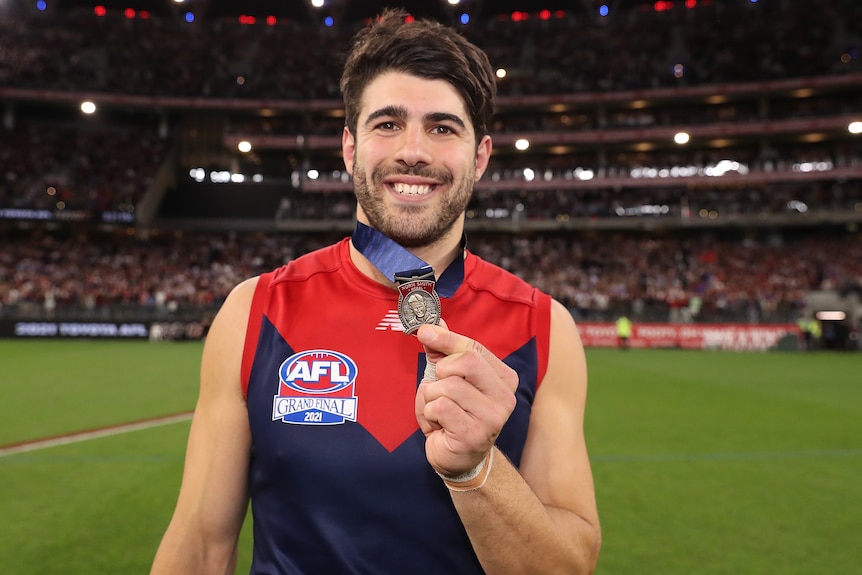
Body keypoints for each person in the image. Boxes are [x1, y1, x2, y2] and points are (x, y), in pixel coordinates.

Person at [150, 9, 601, 574]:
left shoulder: (543, 326)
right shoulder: (256, 310)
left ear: (480, 156)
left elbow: (568, 568)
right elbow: (199, 547)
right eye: (387, 124)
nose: (414, 150)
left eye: (443, 127)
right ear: (349, 148)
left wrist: (476, 470)